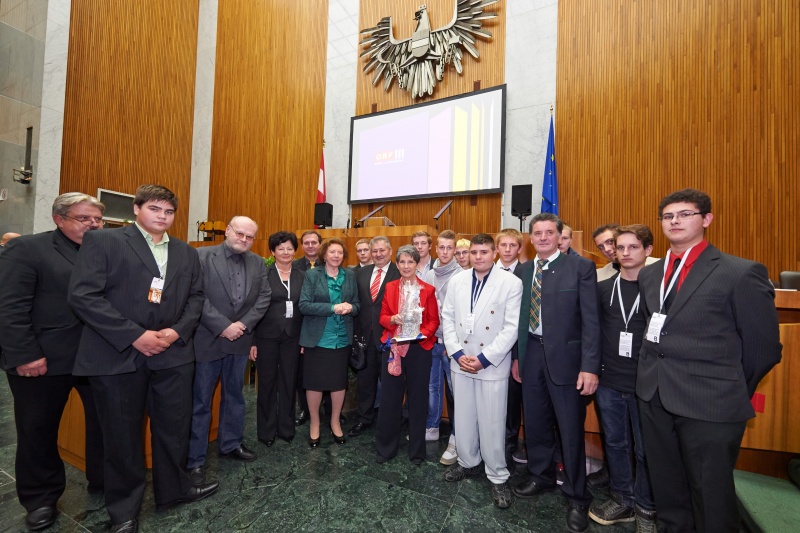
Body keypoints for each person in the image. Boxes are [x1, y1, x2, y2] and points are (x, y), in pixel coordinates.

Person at [69, 185, 217, 533]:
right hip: (117, 355)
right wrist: (135, 336)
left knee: (173, 430)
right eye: (154, 209)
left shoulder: (185, 251)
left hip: (172, 355)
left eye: (168, 212)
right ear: (136, 209)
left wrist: (175, 332)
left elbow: (196, 297)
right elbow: (84, 296)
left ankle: (174, 491)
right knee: (121, 437)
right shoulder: (104, 242)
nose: (162, 217)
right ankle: (124, 511)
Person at [637, 189, 782, 533]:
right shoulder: (650, 274)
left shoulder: (740, 272)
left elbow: (763, 349)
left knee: (711, 496)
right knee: (668, 488)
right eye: (668, 216)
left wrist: (729, 388)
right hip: (655, 396)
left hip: (711, 404)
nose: (675, 221)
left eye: (685, 214)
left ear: (706, 219)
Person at [0, 193, 105, 532]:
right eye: (83, 218)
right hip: (43, 358)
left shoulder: (102, 252)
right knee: (37, 430)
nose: (92, 224)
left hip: (97, 357)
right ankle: (40, 498)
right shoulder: (28, 249)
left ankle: (101, 480)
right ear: (59, 219)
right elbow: (10, 307)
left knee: (105, 425)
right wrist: (24, 355)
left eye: (97, 219)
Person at [511, 213, 601, 533]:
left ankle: (577, 495)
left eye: (550, 232)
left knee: (569, 428)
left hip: (567, 360)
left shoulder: (580, 268)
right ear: (530, 238)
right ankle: (541, 476)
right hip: (530, 353)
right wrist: (517, 358)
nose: (544, 238)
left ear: (561, 236)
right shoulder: (523, 271)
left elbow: (592, 321)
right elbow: (518, 320)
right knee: (534, 421)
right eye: (538, 233)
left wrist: (590, 366)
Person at [186, 216, 271, 485]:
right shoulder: (200, 256)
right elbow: (195, 295)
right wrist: (223, 325)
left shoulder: (258, 262)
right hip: (208, 339)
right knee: (201, 401)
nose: (244, 240)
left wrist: (243, 326)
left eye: (249, 237)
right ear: (227, 231)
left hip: (240, 341)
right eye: (240, 234)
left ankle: (231, 443)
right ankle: (195, 459)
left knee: (235, 395)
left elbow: (264, 297)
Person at [441, 233, 522, 509]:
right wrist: (458, 353)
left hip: (491, 364)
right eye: (474, 252)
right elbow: (448, 318)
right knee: (462, 418)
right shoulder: (457, 280)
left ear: (494, 253)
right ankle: (467, 462)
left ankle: (498, 476)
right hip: (461, 360)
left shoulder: (511, 283)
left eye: (484, 252)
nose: (478, 257)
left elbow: (511, 328)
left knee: (492, 422)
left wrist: (485, 359)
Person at [589, 225, 657, 532]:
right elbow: (592, 334)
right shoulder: (604, 289)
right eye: (621, 248)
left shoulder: (659, 290)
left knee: (645, 450)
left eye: (633, 247)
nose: (626, 253)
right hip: (609, 382)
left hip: (648, 385)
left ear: (648, 251)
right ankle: (623, 499)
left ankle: (646, 507)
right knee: (615, 444)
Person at [375, 245, 439, 464]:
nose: (405, 266)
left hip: (419, 350)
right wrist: (392, 319)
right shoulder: (391, 287)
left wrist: (421, 334)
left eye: (410, 262)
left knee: (418, 399)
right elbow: (382, 316)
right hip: (393, 347)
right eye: (401, 262)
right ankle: (386, 449)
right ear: (397, 264)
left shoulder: (427, 290)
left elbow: (433, 321)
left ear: (417, 263)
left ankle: (417, 452)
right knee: (390, 399)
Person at [298, 237, 360, 447]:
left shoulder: (349, 276)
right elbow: (304, 305)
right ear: (324, 254)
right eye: (332, 252)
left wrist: (351, 308)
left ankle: (335, 422)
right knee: (314, 384)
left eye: (339, 253)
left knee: (338, 383)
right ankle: (315, 424)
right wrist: (332, 308)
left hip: (341, 339)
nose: (336, 256)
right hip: (318, 339)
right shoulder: (312, 275)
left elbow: (358, 305)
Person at [251, 231, 305, 446]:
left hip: (293, 336)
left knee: (289, 382)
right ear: (272, 252)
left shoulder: (302, 275)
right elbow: (253, 308)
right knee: (266, 383)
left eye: (289, 248)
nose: (285, 252)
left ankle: (286, 428)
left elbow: (305, 307)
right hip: (266, 336)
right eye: (280, 248)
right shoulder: (263, 274)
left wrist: (305, 340)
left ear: (295, 251)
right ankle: (266, 431)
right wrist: (252, 341)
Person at [349, 236, 400, 437]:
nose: (378, 254)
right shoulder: (361, 273)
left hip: (389, 338)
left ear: (390, 250)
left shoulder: (399, 272)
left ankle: (389, 423)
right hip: (364, 338)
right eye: (375, 250)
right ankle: (364, 419)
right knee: (365, 382)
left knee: (390, 385)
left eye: (382, 250)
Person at [423, 230, 462, 462]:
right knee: (432, 388)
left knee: (456, 393)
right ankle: (432, 427)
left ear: (455, 250)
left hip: (450, 345)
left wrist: (453, 342)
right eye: (441, 247)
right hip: (431, 341)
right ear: (436, 249)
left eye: (449, 248)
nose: (445, 252)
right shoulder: (429, 275)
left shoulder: (462, 275)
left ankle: (458, 437)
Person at [495, 228, 527, 460]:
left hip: (515, 348)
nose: (507, 250)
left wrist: (517, 355)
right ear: (496, 248)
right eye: (503, 245)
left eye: (512, 246)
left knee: (512, 399)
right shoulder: (485, 271)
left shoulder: (526, 273)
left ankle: (508, 442)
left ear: (519, 248)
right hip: (486, 347)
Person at [292, 229, 323, 426]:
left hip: (323, 327)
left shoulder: (330, 264)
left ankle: (328, 409)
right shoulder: (294, 267)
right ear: (302, 245)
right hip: (299, 327)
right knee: (302, 373)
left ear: (320, 244)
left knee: (326, 370)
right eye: (307, 242)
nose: (310, 245)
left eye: (314, 242)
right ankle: (304, 409)